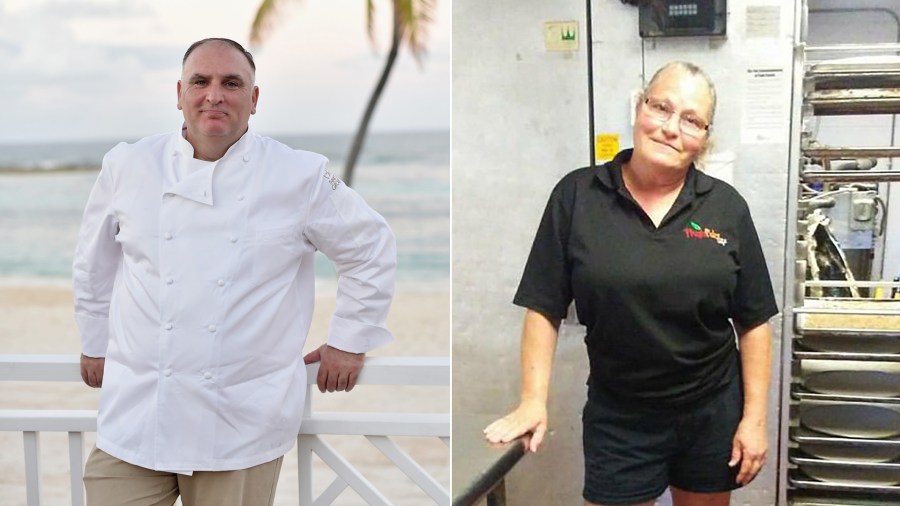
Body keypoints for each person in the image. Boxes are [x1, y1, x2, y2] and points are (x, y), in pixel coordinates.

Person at [73, 37, 396, 506]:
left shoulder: (298, 175)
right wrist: (94, 341)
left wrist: (350, 338)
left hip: (237, 425)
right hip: (136, 414)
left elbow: (370, 246)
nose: (214, 95)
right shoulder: (128, 164)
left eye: (232, 83)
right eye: (200, 82)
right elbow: (94, 261)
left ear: (254, 98)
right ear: (179, 93)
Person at [484, 61, 778, 506]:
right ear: (639, 107)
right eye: (661, 107)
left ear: (704, 138)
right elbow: (543, 306)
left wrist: (753, 420)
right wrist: (532, 400)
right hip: (620, 413)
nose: (671, 128)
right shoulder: (577, 196)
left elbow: (754, 321)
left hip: (711, 410)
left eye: (692, 120)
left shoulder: (726, 207)